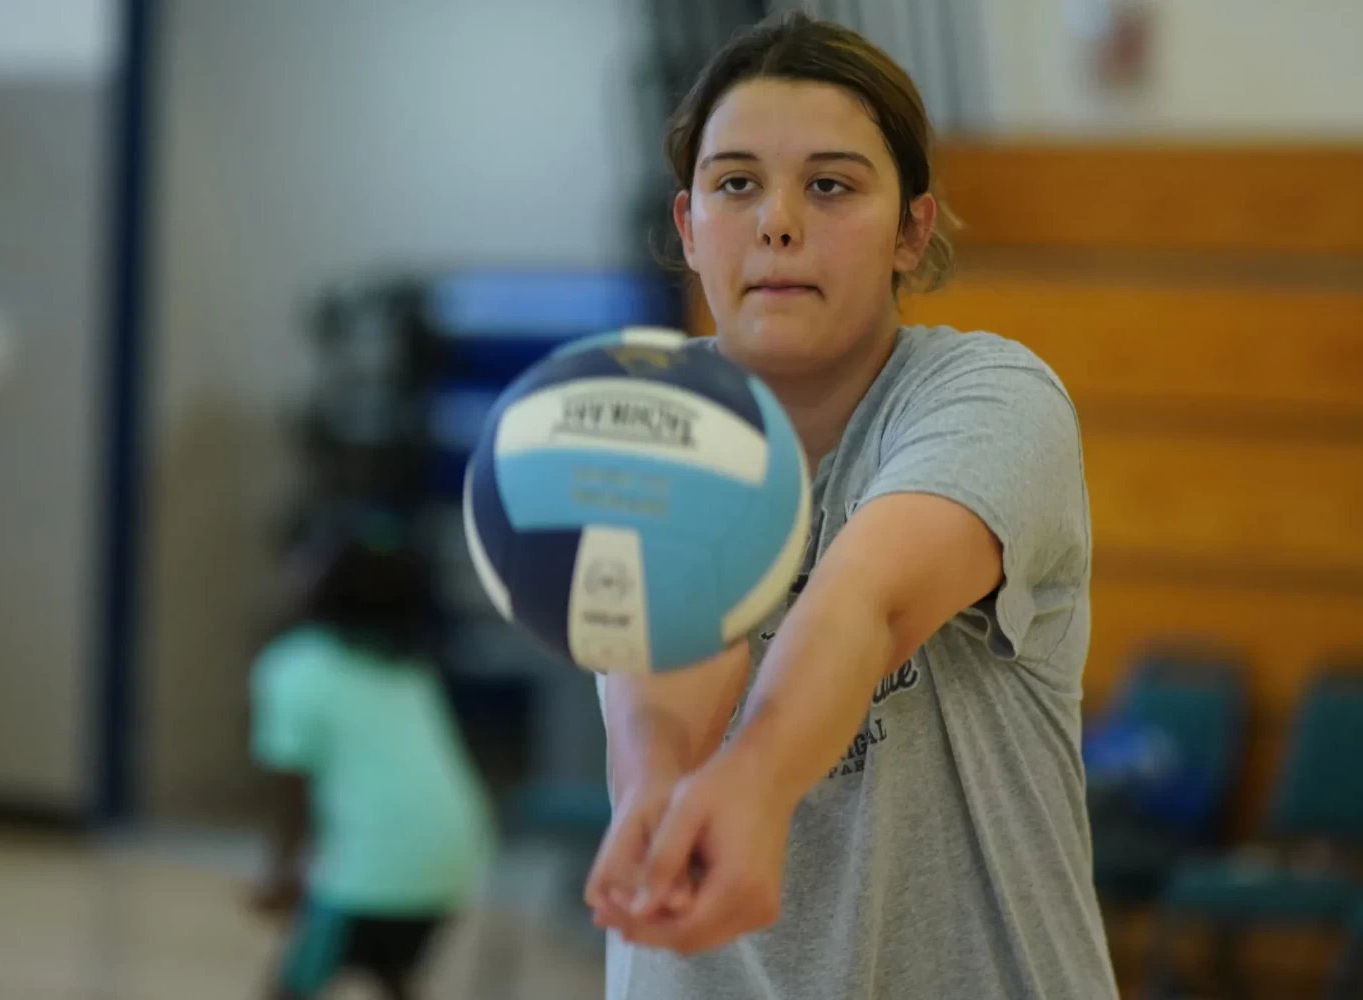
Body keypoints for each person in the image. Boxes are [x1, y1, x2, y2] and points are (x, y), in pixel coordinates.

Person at [584, 11, 1118, 1000]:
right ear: (689, 227)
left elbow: (866, 599)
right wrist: (655, 791)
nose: (778, 221)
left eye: (829, 185)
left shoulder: (994, 398)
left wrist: (752, 783)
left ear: (911, 230)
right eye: (736, 183)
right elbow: (673, 654)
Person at [248, 516, 494, 1000]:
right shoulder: (412, 668)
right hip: (456, 854)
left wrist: (281, 873)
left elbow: (293, 793)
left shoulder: (295, 667)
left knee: (292, 988)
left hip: (370, 866)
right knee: (388, 966)